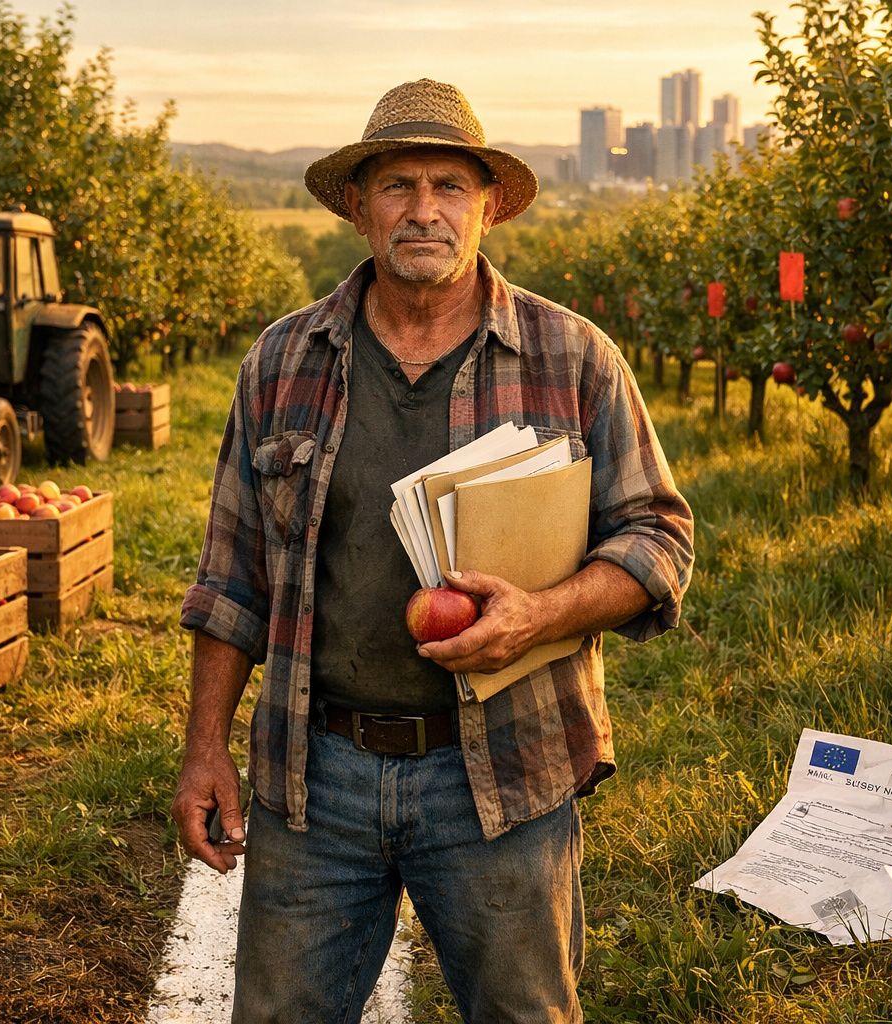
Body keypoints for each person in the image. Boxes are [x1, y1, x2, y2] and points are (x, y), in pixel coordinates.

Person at [173, 79, 693, 1024]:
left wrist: (543, 613)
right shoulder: (283, 361)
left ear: (486, 204)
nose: (424, 210)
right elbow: (231, 573)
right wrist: (205, 743)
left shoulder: (571, 359)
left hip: (501, 774)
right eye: (398, 185)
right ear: (360, 206)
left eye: (449, 186)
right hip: (315, 772)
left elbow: (658, 535)